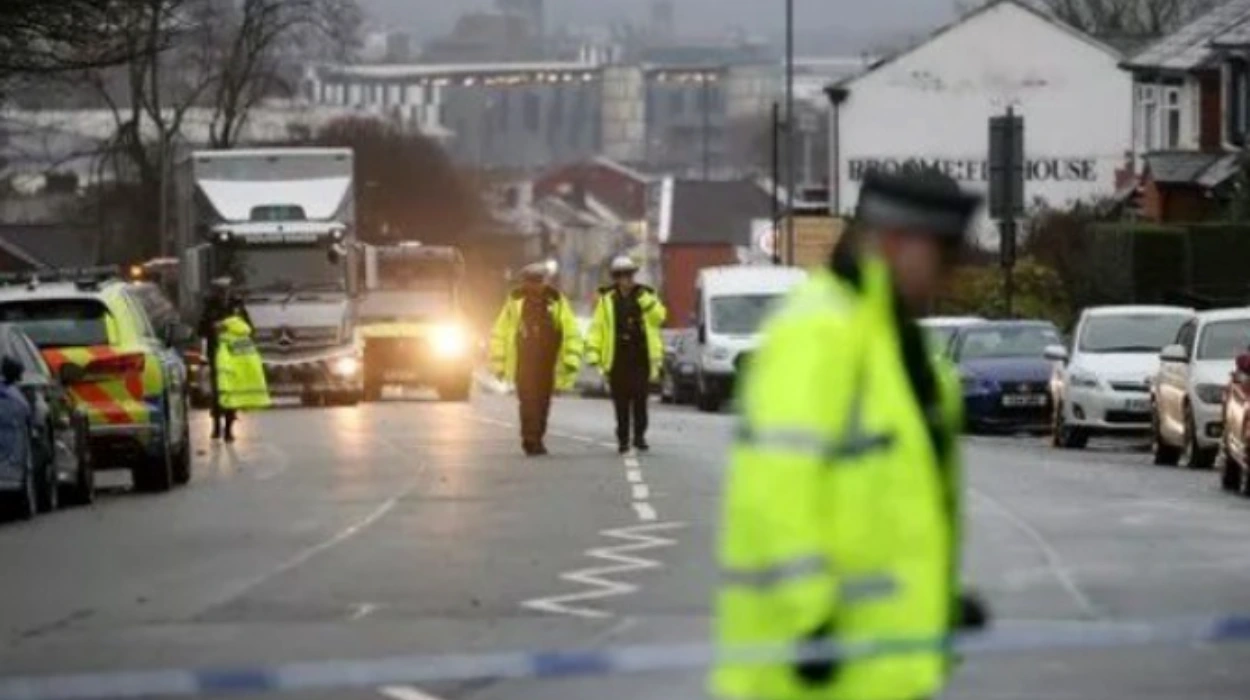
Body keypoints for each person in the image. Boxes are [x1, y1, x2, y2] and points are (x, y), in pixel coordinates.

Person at [711, 169, 989, 700]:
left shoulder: (895, 343)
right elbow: (777, 488)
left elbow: (902, 499)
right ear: (892, 243)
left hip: (883, 666)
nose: (948, 276)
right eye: (942, 256)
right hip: (806, 672)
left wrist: (940, 598)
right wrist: (812, 619)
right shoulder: (820, 332)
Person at [489, 261, 582, 456]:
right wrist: (498, 361)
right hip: (524, 361)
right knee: (528, 401)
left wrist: (571, 358)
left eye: (538, 281)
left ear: (545, 282)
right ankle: (530, 440)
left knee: (543, 402)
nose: (535, 286)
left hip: (548, 363)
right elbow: (501, 332)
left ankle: (537, 436)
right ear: (524, 282)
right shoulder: (515, 302)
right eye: (531, 281)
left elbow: (570, 330)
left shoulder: (556, 301)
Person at [587, 256, 667, 453]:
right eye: (622, 276)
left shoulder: (646, 294)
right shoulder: (606, 300)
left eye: (630, 275)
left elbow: (660, 318)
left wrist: (646, 302)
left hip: (641, 357)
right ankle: (623, 438)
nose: (627, 279)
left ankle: (639, 436)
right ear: (616, 277)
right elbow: (597, 328)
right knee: (621, 402)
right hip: (617, 359)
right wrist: (593, 354)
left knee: (640, 400)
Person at [198, 278, 252, 442]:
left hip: (233, 354)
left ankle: (229, 428)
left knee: (232, 391)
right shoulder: (210, 308)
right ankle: (216, 425)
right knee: (218, 391)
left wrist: (234, 327)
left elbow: (249, 328)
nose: (223, 294)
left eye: (226, 291)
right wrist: (213, 327)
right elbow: (200, 330)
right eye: (220, 291)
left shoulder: (237, 307)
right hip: (216, 354)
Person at [213, 312, 271, 441]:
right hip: (246, 374)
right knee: (233, 405)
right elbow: (254, 357)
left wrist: (222, 373)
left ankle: (226, 432)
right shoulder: (246, 338)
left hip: (232, 375)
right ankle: (228, 432)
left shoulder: (225, 339)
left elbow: (222, 358)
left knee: (228, 404)